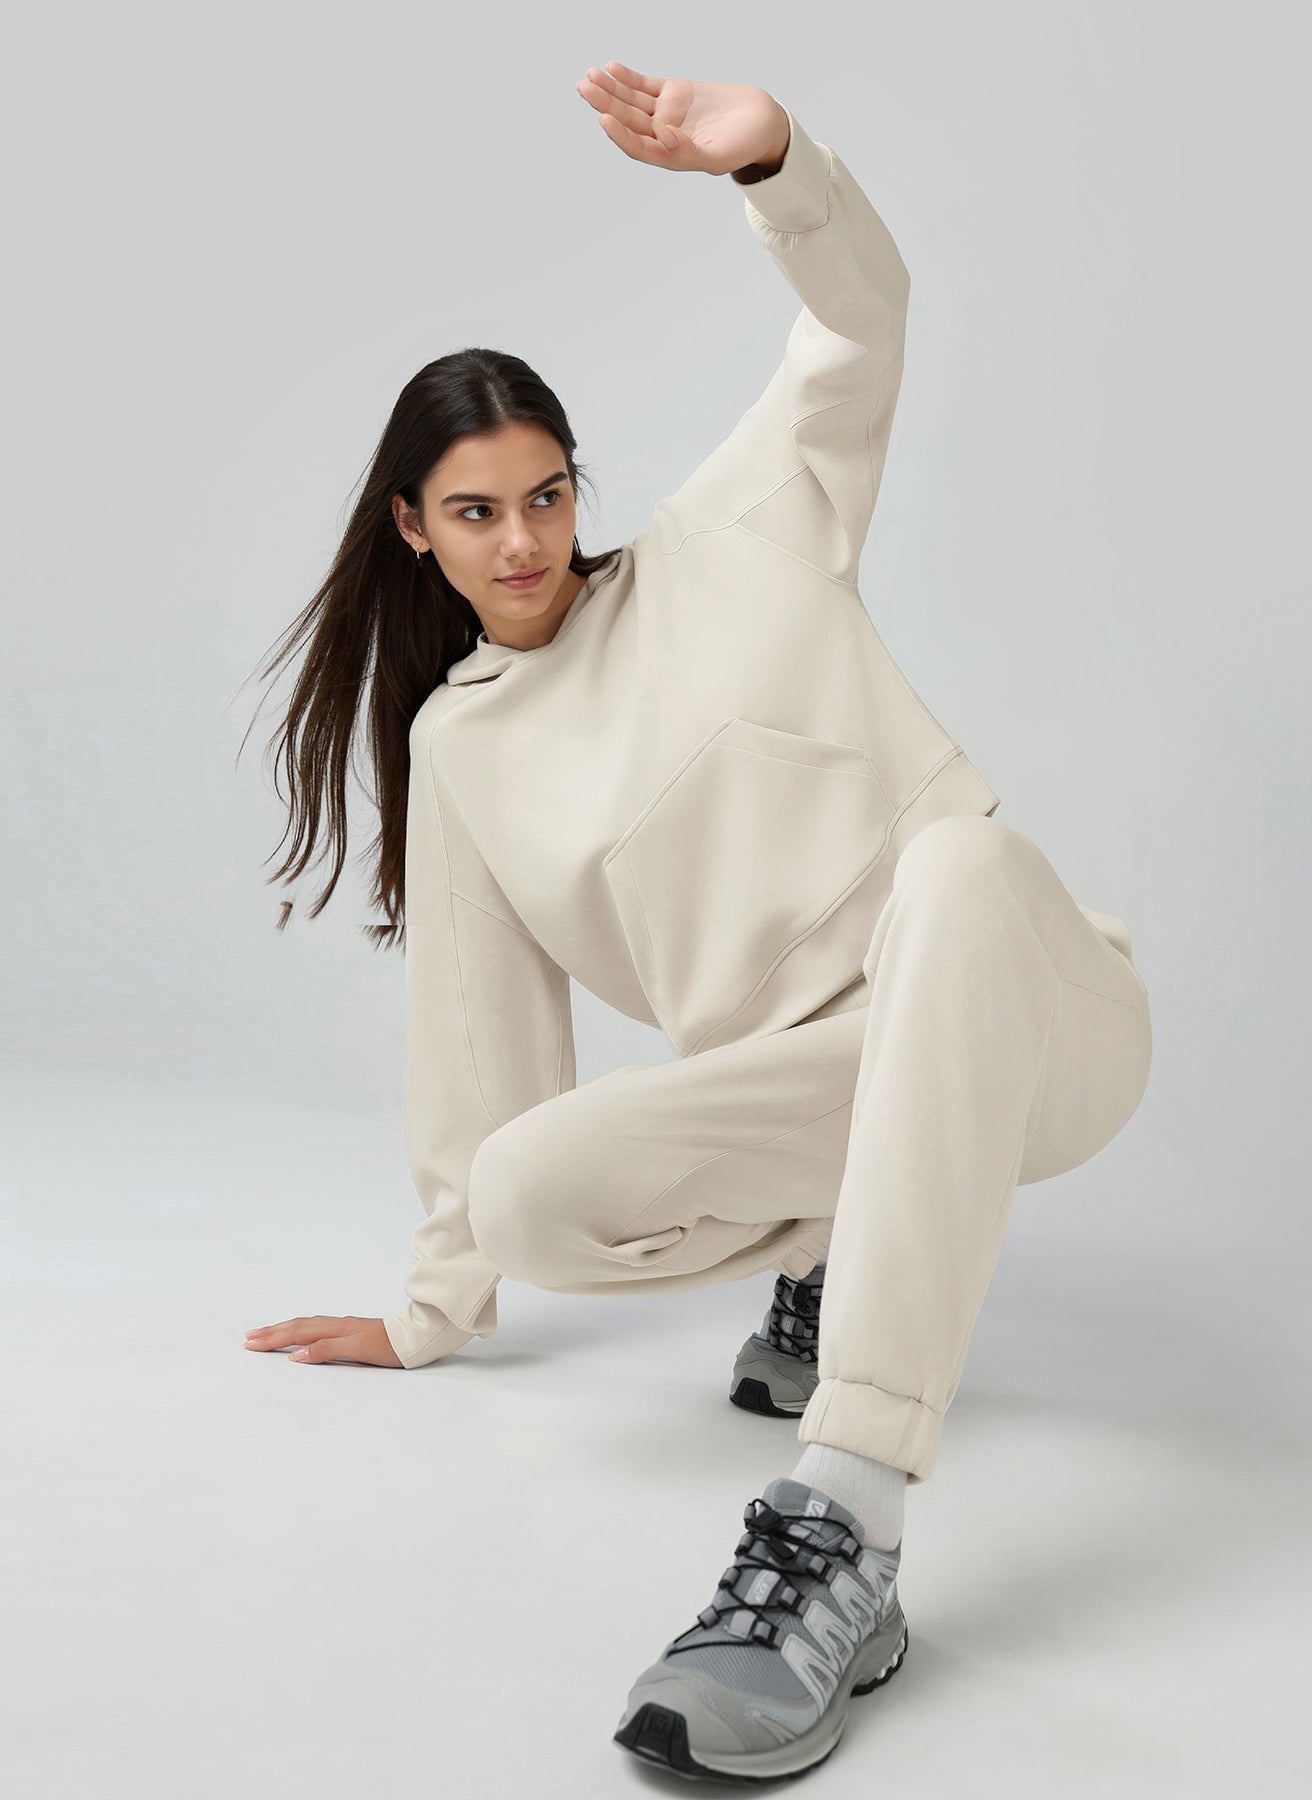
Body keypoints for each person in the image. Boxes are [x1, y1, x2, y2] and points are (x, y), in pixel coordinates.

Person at [241, 65, 1152, 1783]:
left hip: (1044, 1022)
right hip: (829, 1097)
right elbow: (480, 1050)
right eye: (476, 511)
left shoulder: (738, 536)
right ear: (412, 529)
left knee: (954, 872)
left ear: (579, 488)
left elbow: (861, 323)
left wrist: (777, 166)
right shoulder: (465, 750)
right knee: (527, 1186)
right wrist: (435, 1308)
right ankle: (841, 1245)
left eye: (547, 493)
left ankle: (846, 1518)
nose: (524, 540)